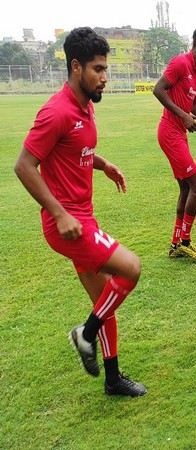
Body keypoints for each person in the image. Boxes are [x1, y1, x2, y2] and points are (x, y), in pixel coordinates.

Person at [14, 27, 146, 397]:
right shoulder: (56, 111)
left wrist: (102, 165)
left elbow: (74, 148)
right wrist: (59, 213)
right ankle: (85, 334)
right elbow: (24, 165)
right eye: (98, 69)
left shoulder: (86, 105)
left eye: (106, 69)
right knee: (130, 269)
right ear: (76, 67)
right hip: (67, 224)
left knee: (104, 299)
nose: (105, 77)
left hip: (82, 218)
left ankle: (113, 379)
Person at [153, 26, 196, 260]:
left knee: (185, 188)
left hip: (179, 133)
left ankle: (175, 244)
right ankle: (186, 241)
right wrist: (182, 116)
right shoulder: (180, 63)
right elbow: (158, 90)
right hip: (170, 132)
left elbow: (192, 106)